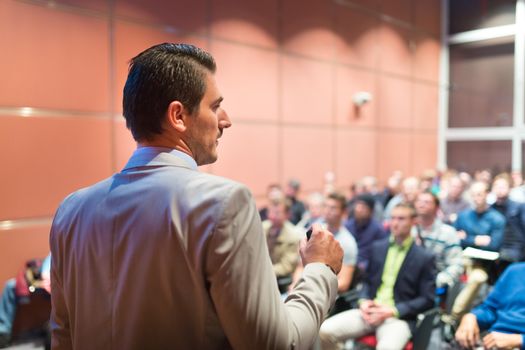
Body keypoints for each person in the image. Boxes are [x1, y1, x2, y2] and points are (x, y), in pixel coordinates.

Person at [49, 43, 344, 350]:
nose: (225, 120)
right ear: (178, 115)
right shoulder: (224, 203)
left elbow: (63, 337)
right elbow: (276, 345)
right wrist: (320, 270)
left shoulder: (70, 210)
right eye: (215, 106)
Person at [319, 203, 436, 350]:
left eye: (401, 219)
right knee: (323, 331)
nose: (395, 223)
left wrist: (393, 310)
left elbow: (427, 299)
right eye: (393, 218)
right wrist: (363, 301)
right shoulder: (378, 248)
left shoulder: (424, 257)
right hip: (369, 310)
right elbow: (366, 282)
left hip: (397, 317)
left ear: (414, 221)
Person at [451, 181, 505, 321]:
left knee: (477, 278)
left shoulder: (496, 219)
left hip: (481, 263)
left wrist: (466, 238)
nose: (476, 198)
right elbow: (455, 239)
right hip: (459, 258)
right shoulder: (463, 216)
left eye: (480, 194)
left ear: (487, 194)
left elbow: (494, 246)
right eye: (473, 195)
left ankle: (454, 316)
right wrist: (476, 240)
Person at [455, 262, 525, 350]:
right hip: (493, 342)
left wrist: (520, 340)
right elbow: (490, 309)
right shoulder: (514, 270)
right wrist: (471, 317)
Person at [414, 191, 463, 289]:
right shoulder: (409, 230)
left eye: (427, 202)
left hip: (435, 281)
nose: (422, 205)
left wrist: (439, 281)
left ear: (437, 208)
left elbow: (456, 264)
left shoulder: (448, 232)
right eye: (419, 201)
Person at [0, 254, 51, 348]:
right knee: (10, 285)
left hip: (61, 285)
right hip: (43, 282)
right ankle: (3, 332)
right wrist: (45, 278)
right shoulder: (57, 246)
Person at [344, 194, 387, 274]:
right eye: (357, 206)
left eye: (363, 207)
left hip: (366, 269)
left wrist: (365, 265)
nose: (358, 210)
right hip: (347, 264)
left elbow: (382, 253)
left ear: (371, 211)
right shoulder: (347, 226)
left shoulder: (378, 229)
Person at [262, 197, 302, 281]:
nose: (272, 216)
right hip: (264, 276)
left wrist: (261, 271)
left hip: (281, 281)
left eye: (277, 213)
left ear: (287, 215)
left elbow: (286, 267)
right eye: (270, 212)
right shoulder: (263, 228)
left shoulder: (293, 236)